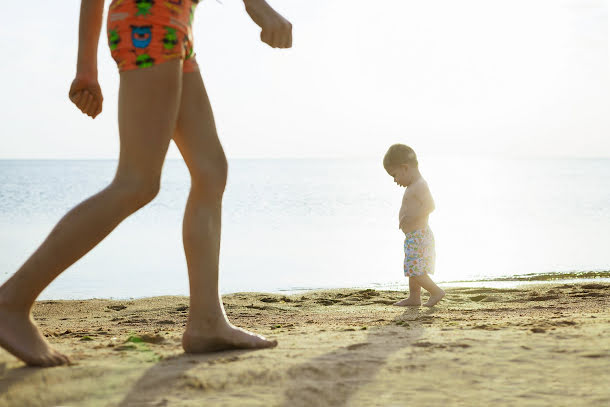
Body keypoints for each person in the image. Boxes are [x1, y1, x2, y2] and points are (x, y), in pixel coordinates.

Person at [0, 0, 292, 367]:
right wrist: (85, 69)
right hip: (150, 20)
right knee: (136, 182)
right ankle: (11, 301)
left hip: (174, 25)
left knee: (210, 170)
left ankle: (206, 320)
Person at [383, 144, 445, 307]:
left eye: (394, 175)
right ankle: (414, 298)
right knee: (413, 268)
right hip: (414, 236)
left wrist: (411, 217)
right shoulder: (414, 185)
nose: (395, 180)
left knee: (415, 270)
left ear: (405, 168)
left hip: (419, 236)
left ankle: (436, 291)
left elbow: (430, 205)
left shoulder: (419, 185)